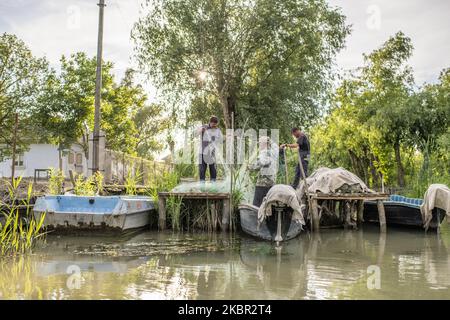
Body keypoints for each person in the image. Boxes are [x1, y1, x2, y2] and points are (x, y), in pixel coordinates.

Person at [249, 136, 278, 207]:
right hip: (271, 181)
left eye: (260, 143)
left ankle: (255, 216)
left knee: (257, 203)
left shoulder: (264, 152)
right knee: (268, 202)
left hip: (263, 183)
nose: (259, 145)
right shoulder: (273, 152)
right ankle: (267, 216)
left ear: (264, 144)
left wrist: (250, 167)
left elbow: (260, 163)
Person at [197, 116, 223, 181]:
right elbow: (197, 133)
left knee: (213, 170)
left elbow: (222, 140)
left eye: (215, 125)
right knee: (202, 170)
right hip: (202, 152)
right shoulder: (204, 126)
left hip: (212, 153)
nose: (214, 127)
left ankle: (213, 184)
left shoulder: (218, 130)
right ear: (210, 122)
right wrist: (201, 130)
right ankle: (202, 185)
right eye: (213, 125)